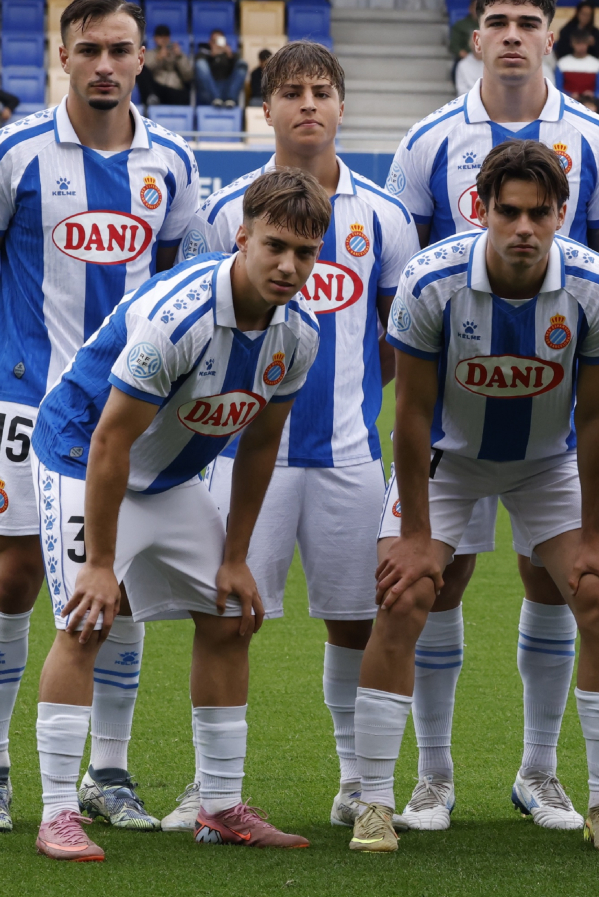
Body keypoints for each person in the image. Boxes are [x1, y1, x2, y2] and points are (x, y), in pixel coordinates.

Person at [384, 0, 599, 837]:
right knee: (428, 581)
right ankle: (432, 779)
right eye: (499, 22)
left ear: (554, 33)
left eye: (531, 22)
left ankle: (543, 773)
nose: (515, 36)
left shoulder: (597, 141)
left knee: (571, 586)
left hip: (548, 438)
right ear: (476, 35)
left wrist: (598, 521)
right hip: (450, 435)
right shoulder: (426, 143)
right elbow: (406, 271)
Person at [0, 0, 201, 843]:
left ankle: (110, 772)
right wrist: (25, 353)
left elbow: (181, 282)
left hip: (125, 418)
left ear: (142, 59)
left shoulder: (172, 162)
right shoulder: (9, 153)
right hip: (30, 407)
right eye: (88, 48)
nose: (104, 64)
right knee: (16, 577)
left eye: (120, 50)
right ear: (63, 56)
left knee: (118, 589)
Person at [29, 165, 325, 864]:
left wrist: (234, 555)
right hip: (84, 455)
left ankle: (220, 806)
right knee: (87, 619)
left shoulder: (299, 334)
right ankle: (57, 813)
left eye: (305, 253)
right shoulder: (181, 316)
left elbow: (259, 442)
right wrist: (101, 565)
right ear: (242, 237)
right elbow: (109, 438)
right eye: (275, 245)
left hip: (166, 474)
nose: (288, 266)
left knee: (228, 614)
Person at [173, 42, 420, 833]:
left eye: (322, 91)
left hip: (349, 453)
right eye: (291, 92)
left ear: (342, 107)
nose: (307, 104)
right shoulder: (223, 213)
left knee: (356, 618)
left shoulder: (386, 216)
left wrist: (345, 394)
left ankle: (355, 780)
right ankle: (212, 791)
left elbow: (400, 341)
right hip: (246, 456)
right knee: (226, 615)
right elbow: (194, 322)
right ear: (266, 110)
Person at [140, 24, 193, 107]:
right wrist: (158, 58)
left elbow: (188, 76)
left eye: (166, 36)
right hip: (158, 89)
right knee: (140, 69)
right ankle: (151, 97)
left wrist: (179, 57)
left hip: (175, 89)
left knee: (184, 93)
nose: (163, 39)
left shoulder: (178, 54)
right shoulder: (150, 54)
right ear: (155, 38)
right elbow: (143, 73)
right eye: (160, 36)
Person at [193, 29, 245, 107]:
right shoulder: (204, 53)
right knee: (200, 64)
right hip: (209, 92)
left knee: (242, 64)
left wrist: (230, 57)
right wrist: (212, 56)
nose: (217, 44)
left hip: (228, 89)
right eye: (214, 41)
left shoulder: (232, 55)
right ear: (210, 42)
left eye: (219, 41)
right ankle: (216, 98)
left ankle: (230, 99)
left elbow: (239, 71)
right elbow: (200, 69)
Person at [556, 32, 599, 99]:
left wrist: (593, 94)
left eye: (584, 43)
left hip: (590, 101)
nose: (581, 46)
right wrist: (569, 94)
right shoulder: (562, 63)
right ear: (572, 44)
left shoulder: (597, 64)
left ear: (588, 44)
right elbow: (558, 88)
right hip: (568, 100)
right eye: (578, 43)